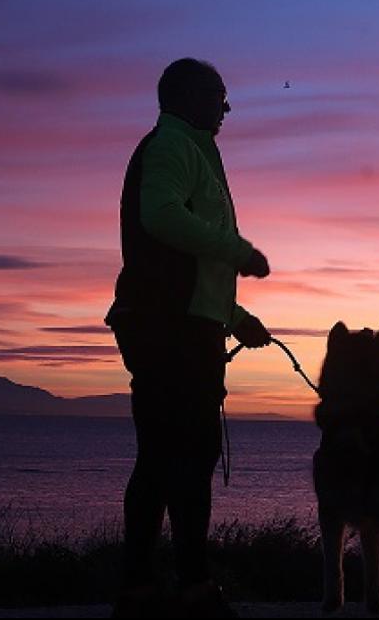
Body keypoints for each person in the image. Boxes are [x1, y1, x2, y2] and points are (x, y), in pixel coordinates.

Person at [106, 58, 272, 617]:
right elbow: (161, 218)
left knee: (163, 456)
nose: (227, 107)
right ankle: (192, 588)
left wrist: (233, 316)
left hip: (183, 324)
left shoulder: (193, 149)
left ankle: (143, 589)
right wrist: (234, 251)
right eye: (219, 95)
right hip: (168, 329)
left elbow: (187, 262)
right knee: (186, 455)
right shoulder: (171, 146)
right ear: (186, 95)